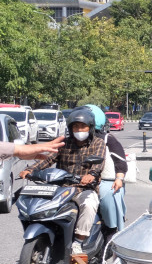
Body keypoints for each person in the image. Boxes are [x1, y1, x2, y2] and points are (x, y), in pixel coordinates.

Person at [20, 107, 105, 254]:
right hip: (60, 187)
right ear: (70, 128)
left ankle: (78, 241)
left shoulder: (97, 143)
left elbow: (98, 163)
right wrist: (31, 170)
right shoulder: (65, 144)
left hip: (84, 188)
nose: (79, 130)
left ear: (90, 128)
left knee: (89, 204)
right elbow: (48, 159)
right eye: (75, 126)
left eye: (82, 126)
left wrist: (91, 174)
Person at [84, 105, 128, 231]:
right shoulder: (71, 141)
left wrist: (119, 178)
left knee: (109, 195)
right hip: (77, 181)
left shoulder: (107, 139)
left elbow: (121, 163)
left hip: (105, 181)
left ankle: (112, 231)